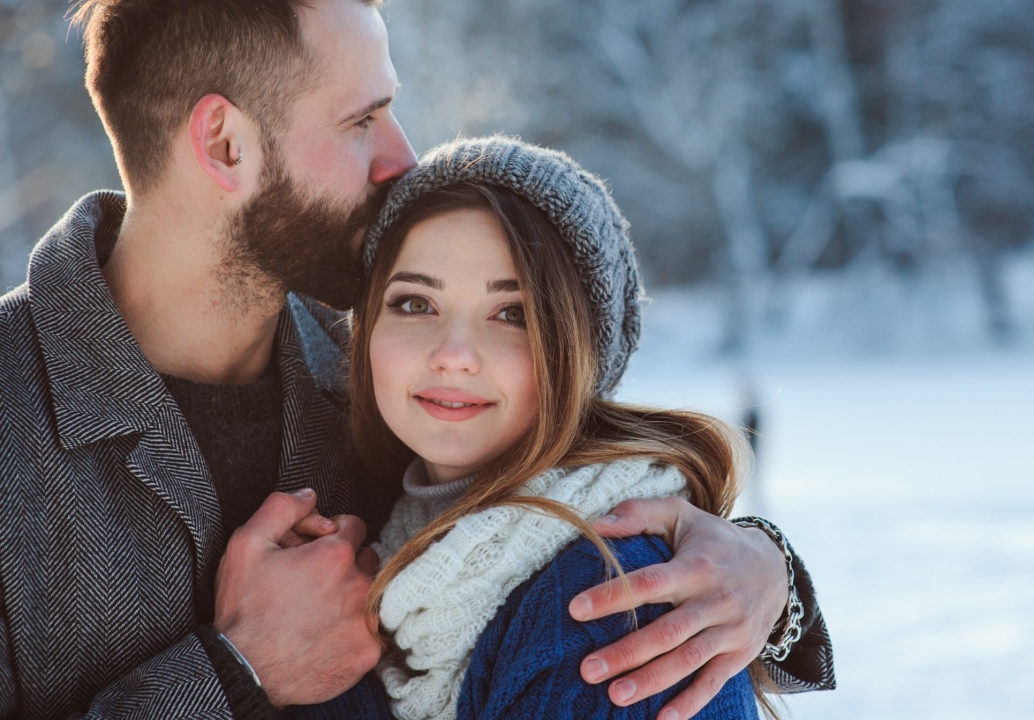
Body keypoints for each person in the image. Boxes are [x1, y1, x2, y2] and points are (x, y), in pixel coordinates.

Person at [0, 0, 833, 718]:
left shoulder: (396, 374)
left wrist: (760, 570)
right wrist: (236, 677)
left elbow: (571, 487)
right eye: (361, 119)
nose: (403, 156)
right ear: (224, 144)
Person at [294, 136, 781, 719]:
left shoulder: (610, 599)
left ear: (579, 353)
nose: (453, 355)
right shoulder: (385, 540)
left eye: (512, 314)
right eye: (415, 303)